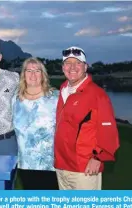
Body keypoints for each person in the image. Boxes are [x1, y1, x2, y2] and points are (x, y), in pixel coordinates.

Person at [54, 46, 120, 190]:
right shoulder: (63, 90)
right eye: (68, 63)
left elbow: (109, 132)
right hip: (62, 165)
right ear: (63, 67)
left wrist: (98, 158)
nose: (72, 67)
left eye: (77, 63)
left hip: (84, 168)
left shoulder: (97, 95)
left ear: (85, 67)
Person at [12, 57, 59, 190]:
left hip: (51, 165)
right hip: (25, 165)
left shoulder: (55, 98)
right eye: (29, 71)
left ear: (43, 75)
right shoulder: (15, 100)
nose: (33, 74)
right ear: (23, 75)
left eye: (37, 70)